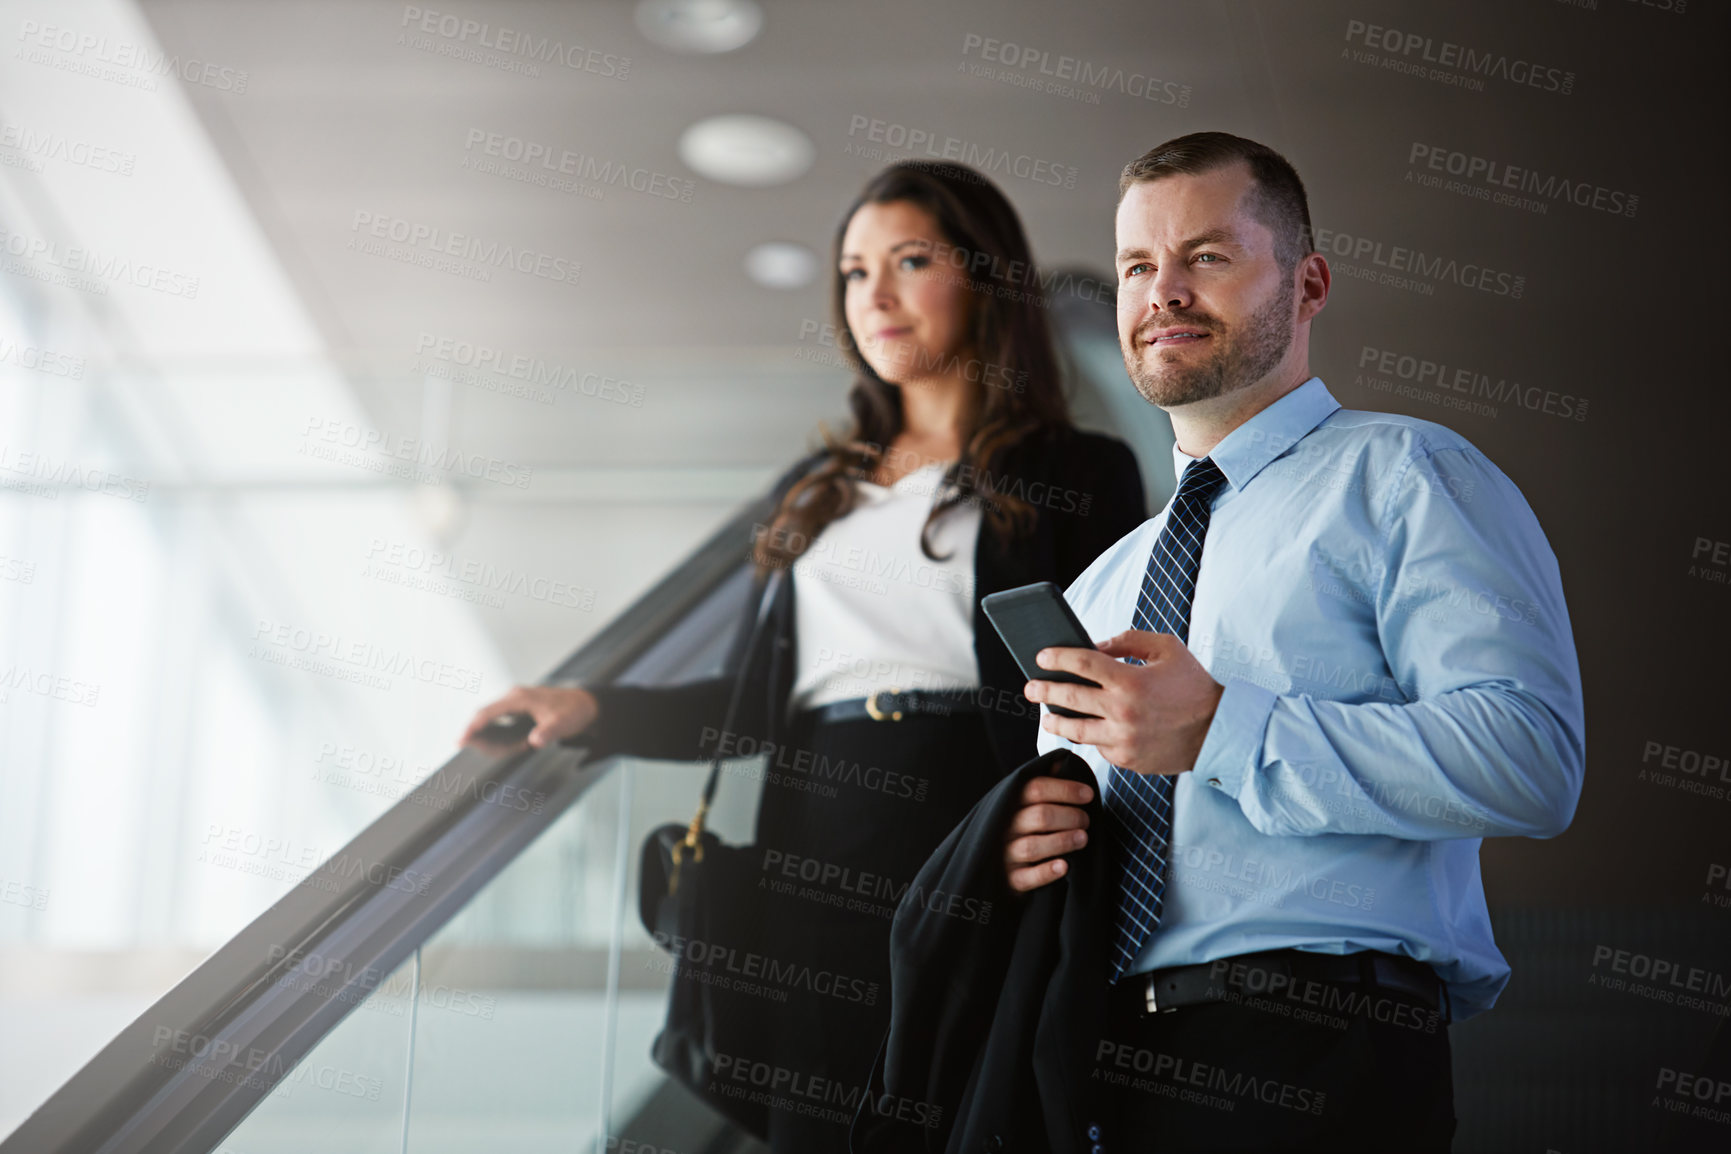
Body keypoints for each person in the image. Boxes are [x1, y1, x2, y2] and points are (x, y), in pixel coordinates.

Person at [462, 160, 1147, 1153]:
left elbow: (1101, 685)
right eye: (854, 271)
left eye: (910, 260)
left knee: (963, 1115)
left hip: (969, 830)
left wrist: (1048, 810)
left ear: (986, 277)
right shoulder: (815, 488)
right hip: (807, 845)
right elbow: (750, 706)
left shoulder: (1077, 469)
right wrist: (592, 708)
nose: (874, 293)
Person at [1002, 132, 1584, 1151]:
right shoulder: (1101, 585)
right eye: (1140, 264)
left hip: (1314, 1052)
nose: (1163, 291)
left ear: (1309, 282)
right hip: (1103, 1073)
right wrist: (1032, 846)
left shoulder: (1407, 476)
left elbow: (1531, 759)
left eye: (1208, 256)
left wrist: (1224, 727)